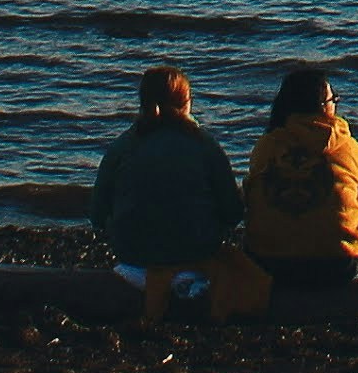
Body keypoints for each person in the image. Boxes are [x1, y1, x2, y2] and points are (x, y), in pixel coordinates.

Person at [89, 66, 243, 311]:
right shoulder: (205, 145)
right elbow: (233, 212)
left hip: (133, 258)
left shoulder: (122, 146)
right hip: (194, 256)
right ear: (186, 102)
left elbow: (97, 214)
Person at [243, 66, 358, 294]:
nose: (336, 105)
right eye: (333, 100)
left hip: (269, 263)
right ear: (323, 106)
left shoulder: (267, 145)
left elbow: (251, 191)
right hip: (336, 265)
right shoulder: (348, 147)